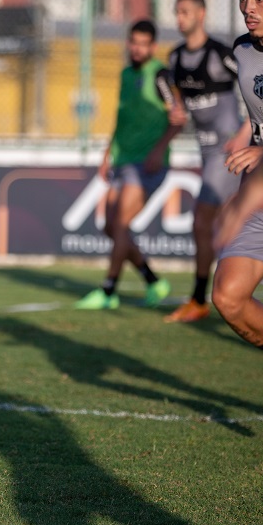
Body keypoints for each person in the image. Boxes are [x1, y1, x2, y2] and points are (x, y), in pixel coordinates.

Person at [209, 0, 263, 428]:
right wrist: (246, 140)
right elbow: (262, 116)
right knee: (229, 296)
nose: (249, 8)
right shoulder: (241, 49)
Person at [75, 19, 184, 310]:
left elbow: (179, 118)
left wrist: (158, 150)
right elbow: (121, 120)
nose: (137, 48)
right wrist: (106, 154)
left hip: (147, 165)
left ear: (153, 46)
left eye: (143, 44)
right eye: (133, 42)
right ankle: (153, 281)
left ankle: (108, 291)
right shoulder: (125, 74)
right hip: (122, 161)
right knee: (111, 227)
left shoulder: (160, 75)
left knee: (121, 224)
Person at [163, 0, 249, 323]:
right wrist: (175, 114)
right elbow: (180, 107)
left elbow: (256, 83)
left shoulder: (220, 54)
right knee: (223, 224)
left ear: (201, 14)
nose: (179, 18)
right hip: (206, 151)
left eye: (185, 11)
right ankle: (218, 293)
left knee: (202, 220)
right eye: (177, 12)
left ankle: (201, 298)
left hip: (229, 151)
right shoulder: (174, 59)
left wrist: (246, 129)